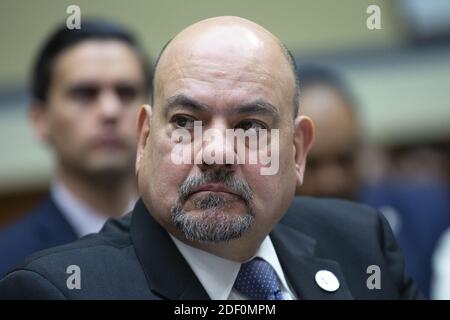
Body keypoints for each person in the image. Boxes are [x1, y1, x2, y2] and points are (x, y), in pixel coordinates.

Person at [0, 16, 422, 300]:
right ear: (145, 140)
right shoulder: (58, 291)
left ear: (296, 151)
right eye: (186, 121)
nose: (217, 152)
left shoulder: (362, 242)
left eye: (250, 127)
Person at [0, 19, 151, 277]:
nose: (110, 111)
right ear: (40, 119)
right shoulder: (8, 264)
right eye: (85, 93)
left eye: (126, 92)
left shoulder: (192, 244)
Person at [296, 65, 449, 298]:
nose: (332, 181)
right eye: (313, 163)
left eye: (345, 159)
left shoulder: (426, 210)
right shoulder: (264, 238)